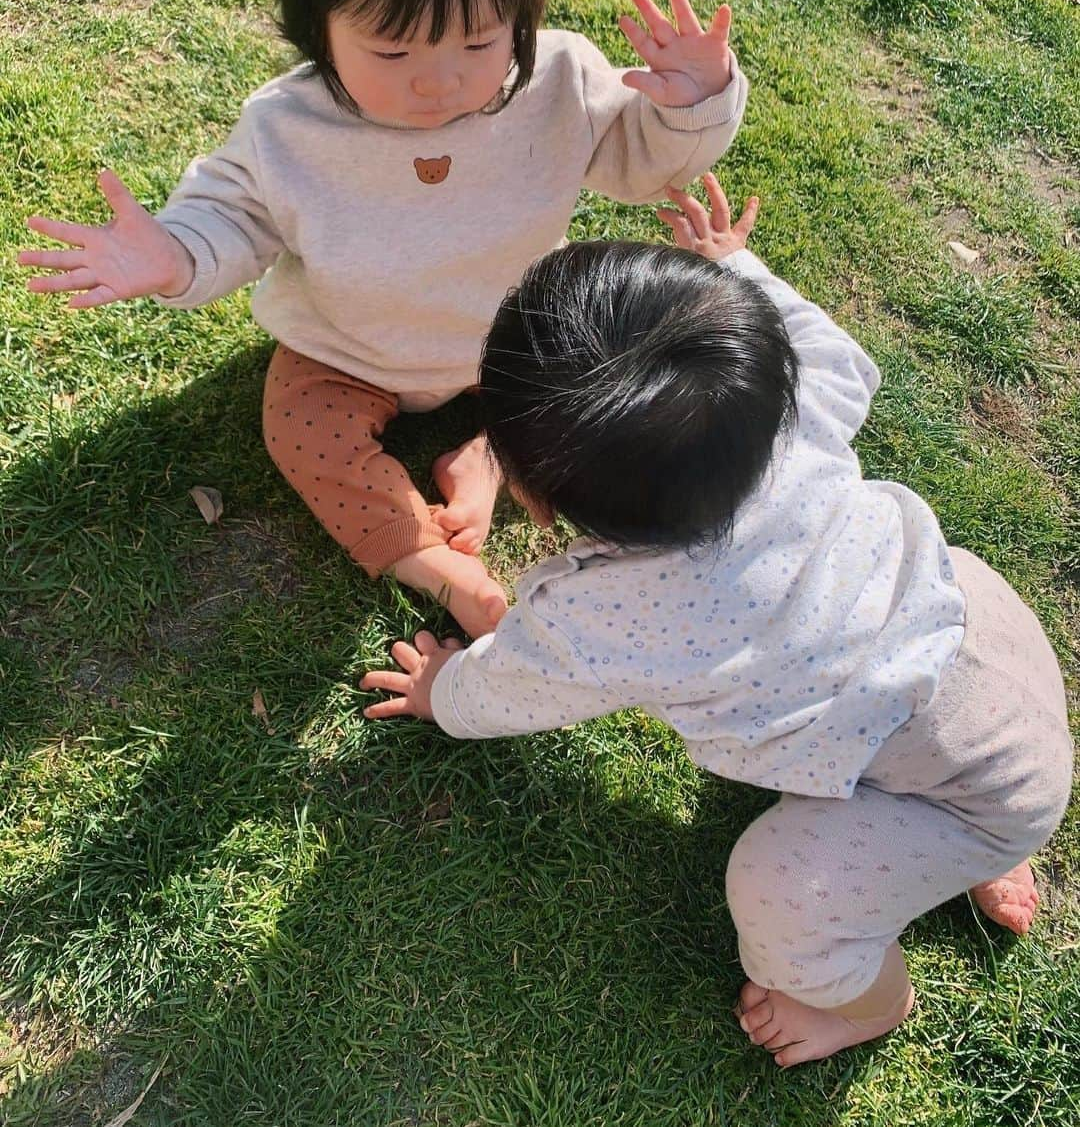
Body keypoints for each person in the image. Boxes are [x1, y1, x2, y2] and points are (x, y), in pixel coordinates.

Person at [360, 177, 1073, 1065]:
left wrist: (442, 693)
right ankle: (961, 845)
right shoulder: (796, 413)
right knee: (953, 762)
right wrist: (738, 267)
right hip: (989, 641)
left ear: (536, 503)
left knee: (779, 895)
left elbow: (513, 685)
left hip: (969, 788)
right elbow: (833, 353)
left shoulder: (607, 616)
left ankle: (876, 995)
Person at [18, 0, 748, 639]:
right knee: (299, 425)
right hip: (344, 352)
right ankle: (427, 559)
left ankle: (483, 458)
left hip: (511, 337)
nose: (438, 79)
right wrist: (177, 256)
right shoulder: (287, 128)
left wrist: (689, 104)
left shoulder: (557, 81)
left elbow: (637, 162)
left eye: (479, 40)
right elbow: (235, 219)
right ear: (313, 14)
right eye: (392, 47)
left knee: (598, 382)